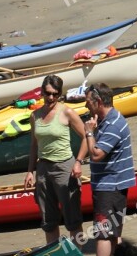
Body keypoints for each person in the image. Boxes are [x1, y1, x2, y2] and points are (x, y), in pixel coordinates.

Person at [76, 83, 136, 256]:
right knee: (114, 231)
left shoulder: (112, 124)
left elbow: (98, 154)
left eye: (88, 101)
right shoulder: (107, 119)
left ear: (98, 102)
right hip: (115, 184)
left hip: (109, 185)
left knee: (102, 233)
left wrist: (89, 132)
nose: (85, 104)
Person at [23, 75, 89, 244]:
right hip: (43, 169)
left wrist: (78, 162)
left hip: (64, 167)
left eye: (55, 94)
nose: (51, 97)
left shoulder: (66, 112)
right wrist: (30, 171)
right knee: (48, 220)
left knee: (72, 219)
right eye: (47, 93)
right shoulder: (35, 115)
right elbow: (33, 145)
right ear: (42, 92)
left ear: (60, 94)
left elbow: (87, 137)